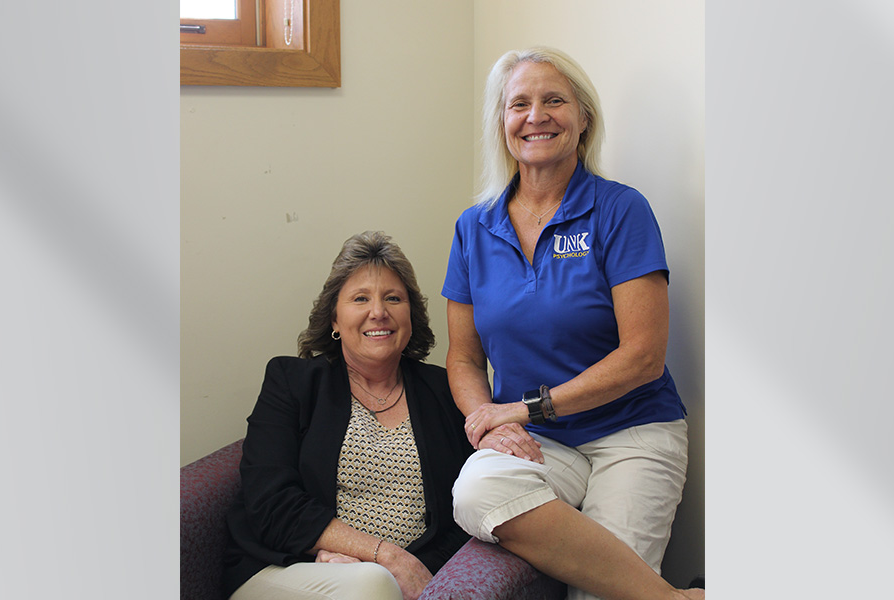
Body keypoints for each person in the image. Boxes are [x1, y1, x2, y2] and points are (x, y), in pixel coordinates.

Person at [442, 47, 704, 600]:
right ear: (502, 123)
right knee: (475, 494)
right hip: (538, 443)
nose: (536, 116)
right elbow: (463, 358)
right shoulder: (473, 228)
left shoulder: (621, 209)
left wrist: (523, 407)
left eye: (554, 100)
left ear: (583, 119)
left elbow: (643, 357)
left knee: (600, 594)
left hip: (631, 432)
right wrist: (488, 421)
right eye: (519, 104)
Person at [223, 231, 474, 600]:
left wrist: (417, 573)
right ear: (335, 320)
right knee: (372, 585)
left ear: (411, 316)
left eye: (393, 298)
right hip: (290, 569)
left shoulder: (445, 390)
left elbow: (461, 515)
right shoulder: (290, 382)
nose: (379, 312)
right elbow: (271, 502)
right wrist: (383, 557)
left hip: (402, 580)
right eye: (360, 298)